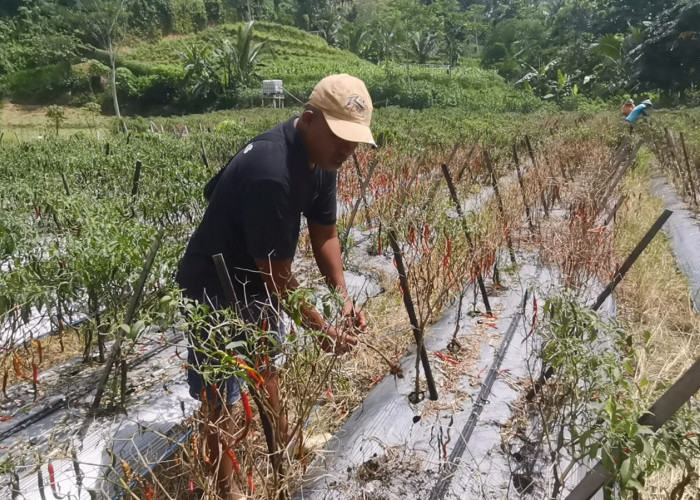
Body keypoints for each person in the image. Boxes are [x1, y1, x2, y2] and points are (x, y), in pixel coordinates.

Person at [175, 73, 374, 499]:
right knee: (222, 397)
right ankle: (226, 490)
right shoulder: (273, 172)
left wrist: (343, 301)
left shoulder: (322, 160)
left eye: (356, 139)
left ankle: (284, 450)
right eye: (342, 136)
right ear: (309, 119)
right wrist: (320, 328)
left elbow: (325, 236)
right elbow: (278, 276)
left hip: (252, 278)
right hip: (214, 284)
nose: (349, 149)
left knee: (266, 369)